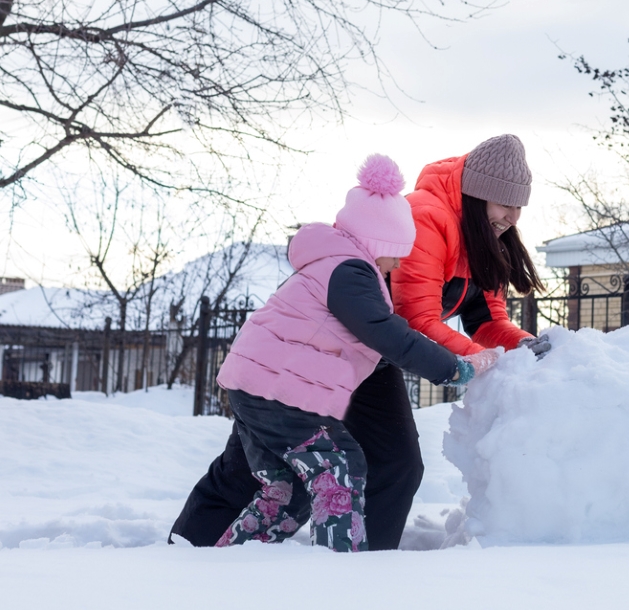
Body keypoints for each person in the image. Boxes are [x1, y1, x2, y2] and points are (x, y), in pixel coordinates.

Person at [174, 155, 495, 551]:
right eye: (395, 251)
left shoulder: (338, 267)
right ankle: (338, 568)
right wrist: (455, 369)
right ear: (377, 241)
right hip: (279, 395)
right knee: (339, 464)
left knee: (287, 489)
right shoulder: (349, 272)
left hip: (262, 388)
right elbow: (386, 333)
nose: (398, 262)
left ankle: (218, 554)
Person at [394, 133, 551, 359]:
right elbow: (417, 318)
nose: (514, 219)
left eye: (519, 207)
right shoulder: (426, 217)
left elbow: (486, 322)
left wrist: (523, 346)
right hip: (340, 338)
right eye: (506, 205)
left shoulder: (484, 235)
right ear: (477, 197)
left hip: (378, 347)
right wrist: (486, 361)